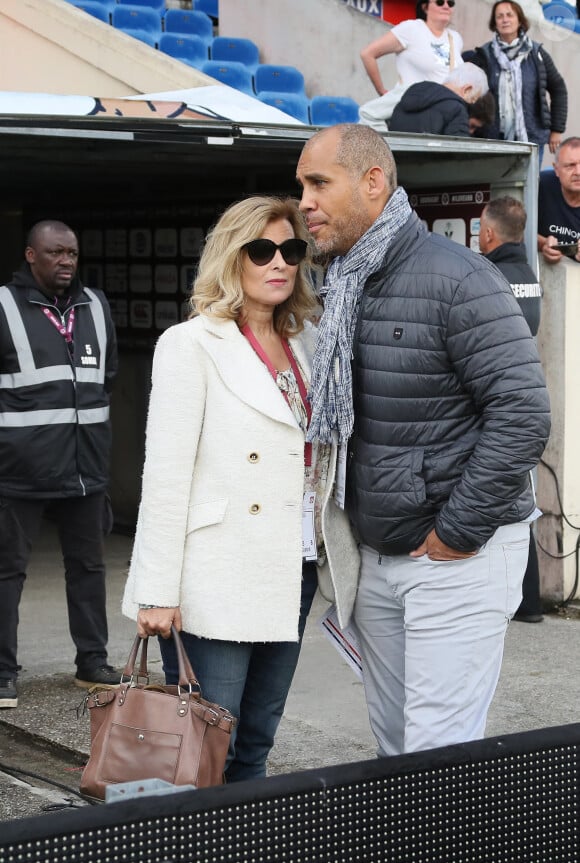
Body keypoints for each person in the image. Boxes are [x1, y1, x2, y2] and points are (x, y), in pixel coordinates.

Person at [296, 124, 550, 757]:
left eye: (319, 183)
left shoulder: (459, 277)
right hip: (374, 556)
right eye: (302, 185)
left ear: (373, 182)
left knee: (438, 752)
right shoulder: (343, 285)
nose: (304, 201)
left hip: (455, 557)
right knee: (396, 744)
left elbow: (522, 414)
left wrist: (458, 532)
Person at [122, 196, 359, 782]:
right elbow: (166, 474)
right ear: (233, 258)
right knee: (208, 742)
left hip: (295, 561)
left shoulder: (309, 339)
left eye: (291, 250)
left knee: (257, 735)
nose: (279, 263)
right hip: (220, 568)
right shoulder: (191, 345)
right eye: (262, 250)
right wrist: (155, 590)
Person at [0, 220, 119, 709]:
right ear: (31, 255)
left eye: (71, 252)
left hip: (84, 466)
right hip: (18, 470)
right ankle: (3, 673)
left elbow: (105, 379)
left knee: (89, 567)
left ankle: (92, 661)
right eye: (54, 253)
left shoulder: (96, 305)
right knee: (7, 571)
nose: (66, 261)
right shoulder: (4, 305)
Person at [478, 196, 544, 623]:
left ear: (487, 233)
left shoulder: (488, 274)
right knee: (522, 503)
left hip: (494, 404)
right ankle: (531, 602)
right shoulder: (529, 274)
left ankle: (515, 601)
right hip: (526, 399)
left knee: (497, 503)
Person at [468, 1, 567, 164]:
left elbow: (558, 88)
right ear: (494, 23)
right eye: (499, 16)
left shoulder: (537, 54)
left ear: (520, 20)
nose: (504, 19)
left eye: (509, 15)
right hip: (492, 140)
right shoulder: (483, 55)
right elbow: (470, 93)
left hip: (532, 139)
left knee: (529, 187)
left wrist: (557, 129)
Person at [359, 0, 464, 132]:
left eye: (451, 3)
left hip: (441, 110)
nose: (446, 6)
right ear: (425, 7)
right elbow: (367, 54)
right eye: (439, 2)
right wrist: (381, 90)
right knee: (368, 114)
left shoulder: (455, 38)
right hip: (411, 107)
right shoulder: (411, 29)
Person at [389, 62, 489, 136]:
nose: (472, 103)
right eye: (473, 99)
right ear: (467, 89)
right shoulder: (457, 110)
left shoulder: (411, 92)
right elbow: (459, 155)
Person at [538, 137, 580, 264]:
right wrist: (543, 243)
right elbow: (518, 231)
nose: (578, 172)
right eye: (570, 166)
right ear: (556, 169)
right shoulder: (541, 185)